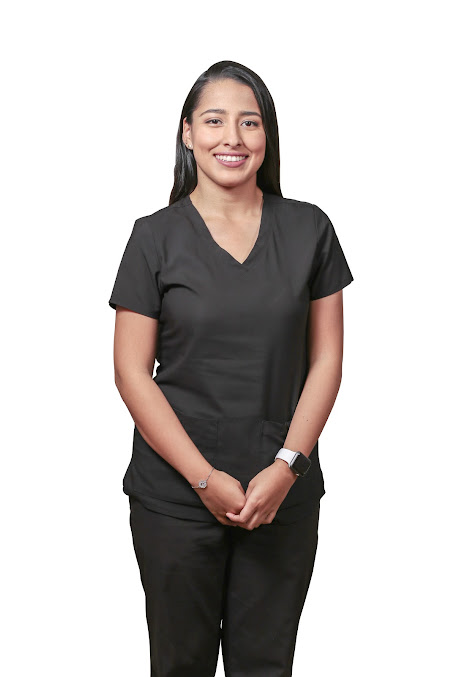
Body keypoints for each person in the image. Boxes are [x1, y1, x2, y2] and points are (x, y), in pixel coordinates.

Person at [108, 60, 354, 677]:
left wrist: (288, 467)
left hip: (282, 494)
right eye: (215, 121)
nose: (233, 138)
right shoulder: (153, 237)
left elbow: (327, 359)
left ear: (267, 135)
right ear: (188, 133)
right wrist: (202, 478)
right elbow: (131, 372)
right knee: (179, 665)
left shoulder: (310, 229)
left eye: (250, 122)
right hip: (175, 497)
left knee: (266, 666)